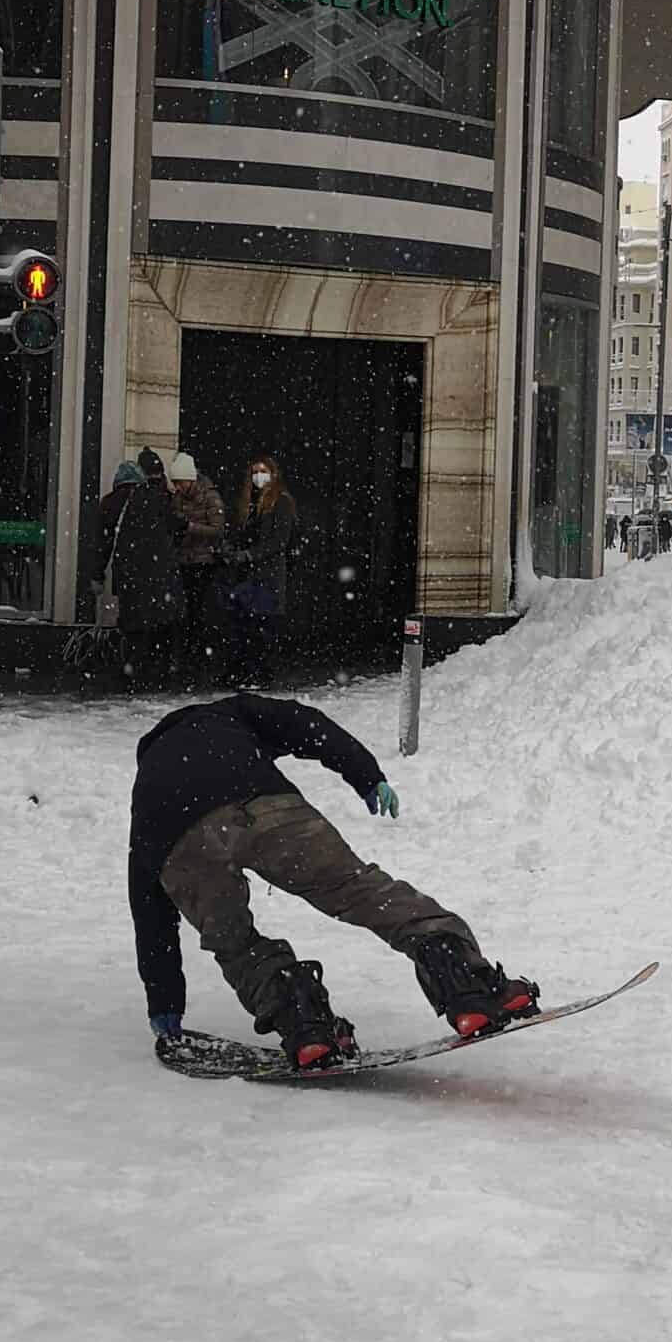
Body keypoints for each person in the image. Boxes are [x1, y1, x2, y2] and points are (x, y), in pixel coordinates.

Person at [128, 692, 538, 1066]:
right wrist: (366, 775)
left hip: (179, 845)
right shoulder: (227, 714)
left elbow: (150, 916)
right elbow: (308, 725)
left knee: (233, 942)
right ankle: (467, 987)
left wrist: (164, 1007)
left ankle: (306, 1026)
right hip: (263, 805)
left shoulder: (145, 794)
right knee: (357, 890)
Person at [98, 450, 187, 690]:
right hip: (159, 572)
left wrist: (97, 574)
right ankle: (160, 672)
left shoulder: (110, 503)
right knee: (161, 622)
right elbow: (176, 525)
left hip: (129, 573)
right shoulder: (156, 497)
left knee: (133, 623)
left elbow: (104, 542)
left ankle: (132, 671)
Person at [230, 451, 303, 684]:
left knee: (263, 626)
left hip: (268, 574)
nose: (259, 477)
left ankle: (261, 673)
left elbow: (279, 540)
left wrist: (251, 554)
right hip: (248, 573)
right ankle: (244, 670)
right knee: (245, 625)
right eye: (255, 472)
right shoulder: (249, 503)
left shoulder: (281, 501)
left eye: (263, 472)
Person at [167, 451, 228, 683]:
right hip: (185, 562)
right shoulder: (179, 498)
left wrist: (189, 527)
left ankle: (200, 663)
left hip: (204, 564)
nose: (178, 487)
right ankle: (189, 662)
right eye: (175, 483)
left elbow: (218, 530)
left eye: (180, 482)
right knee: (188, 616)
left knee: (201, 615)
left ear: (190, 479)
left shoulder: (210, 497)